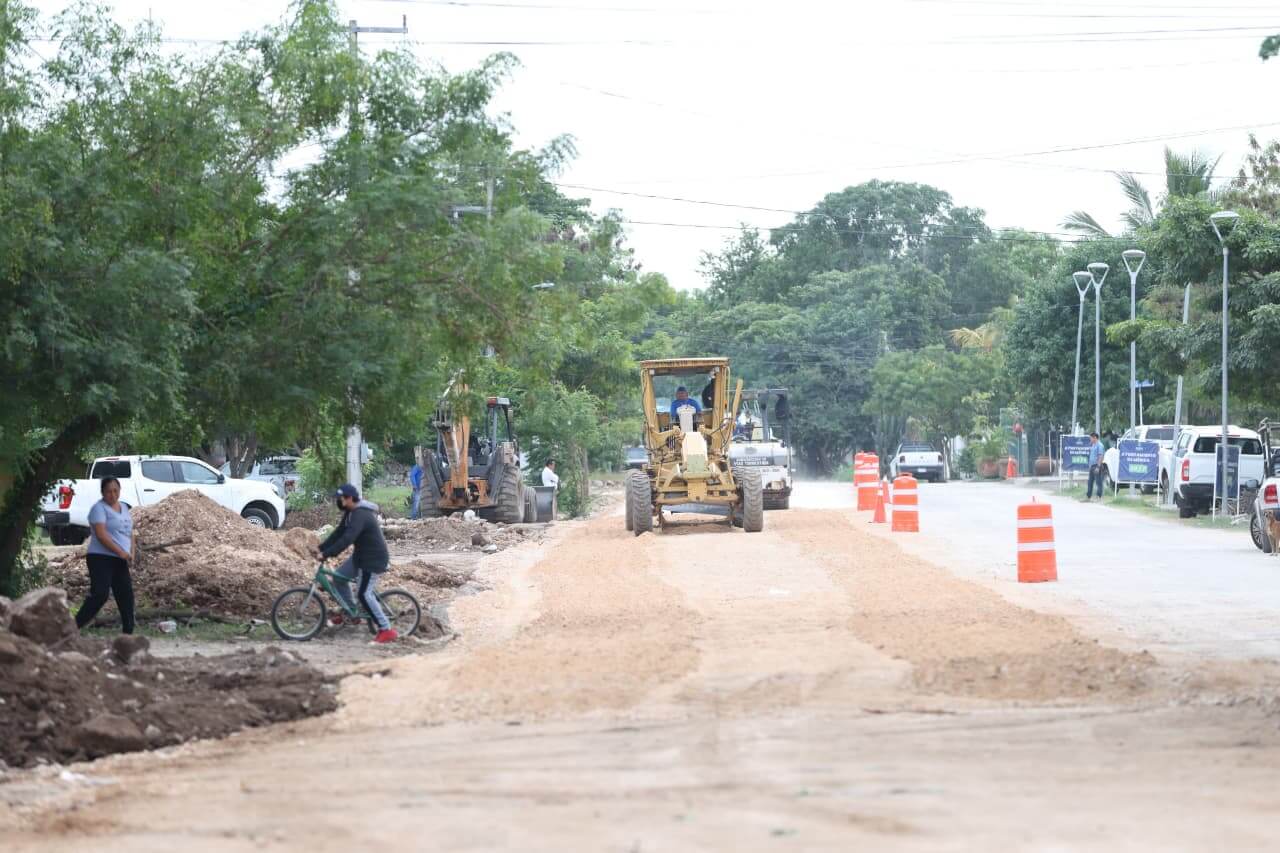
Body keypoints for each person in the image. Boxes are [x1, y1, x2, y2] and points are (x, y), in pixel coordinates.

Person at [317, 484, 398, 643]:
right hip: (360, 557)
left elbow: (348, 539)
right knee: (339, 579)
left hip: (372, 560)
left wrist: (327, 554)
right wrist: (320, 548)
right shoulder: (350, 513)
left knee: (364, 594)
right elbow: (338, 534)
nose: (338, 502)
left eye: (340, 499)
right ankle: (351, 613)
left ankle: (386, 629)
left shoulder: (361, 514)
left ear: (348, 499)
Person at [75, 477, 137, 634]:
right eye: (108, 491)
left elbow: (131, 532)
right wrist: (120, 552)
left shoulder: (123, 507)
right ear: (102, 492)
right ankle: (73, 627)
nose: (112, 494)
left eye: (115, 490)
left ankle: (128, 633)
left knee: (126, 595)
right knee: (100, 594)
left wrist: (131, 553)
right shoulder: (99, 509)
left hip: (120, 559)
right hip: (100, 558)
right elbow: (102, 536)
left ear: (120, 491)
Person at [1086, 432, 1105, 500]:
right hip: (1092, 466)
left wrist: (1098, 466)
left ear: (1095, 437)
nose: (1090, 439)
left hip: (1097, 466)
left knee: (1098, 482)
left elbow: (1100, 456)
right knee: (1090, 482)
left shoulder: (1100, 445)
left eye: (1091, 438)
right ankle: (1088, 496)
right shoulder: (1093, 445)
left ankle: (1099, 496)